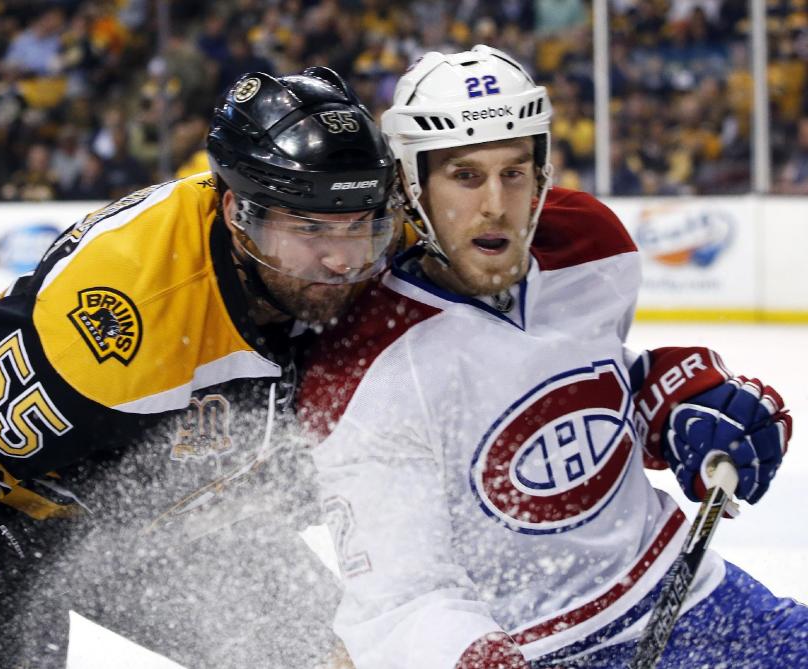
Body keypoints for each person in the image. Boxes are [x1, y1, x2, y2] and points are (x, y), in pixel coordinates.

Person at [0, 67, 399, 668]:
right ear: (236, 213)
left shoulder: (375, 240)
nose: (340, 258)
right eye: (308, 228)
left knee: (342, 655)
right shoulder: (121, 321)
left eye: (360, 226)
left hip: (185, 515)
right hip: (16, 520)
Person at [298, 45, 803, 669]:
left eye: (515, 172)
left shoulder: (591, 245)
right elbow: (402, 599)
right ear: (410, 182)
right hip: (538, 650)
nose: (495, 204)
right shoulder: (363, 365)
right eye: (465, 175)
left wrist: (674, 403)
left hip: (690, 593)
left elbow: (584, 381)